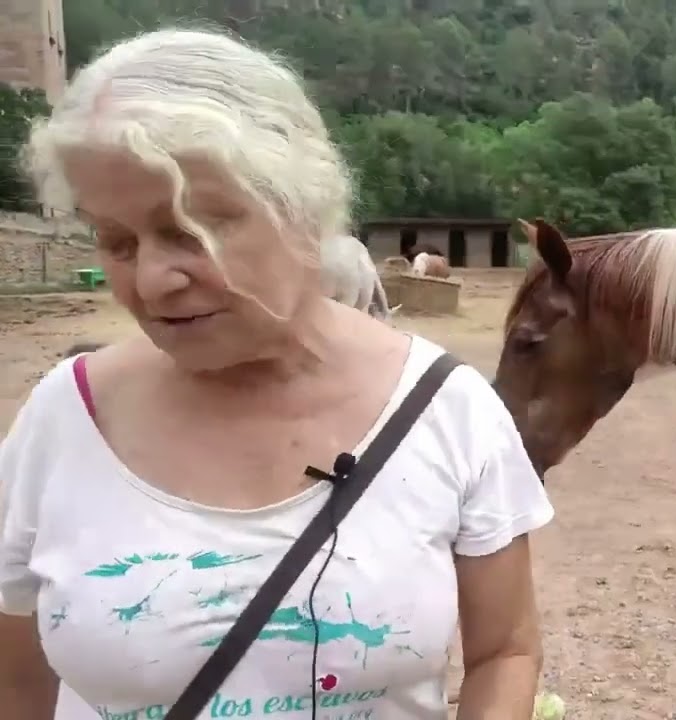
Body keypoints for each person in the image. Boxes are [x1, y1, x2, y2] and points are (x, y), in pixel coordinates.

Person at [0, 27, 553, 720]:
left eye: (189, 231)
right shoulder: (63, 419)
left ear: (302, 205)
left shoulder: (450, 410)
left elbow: (505, 651)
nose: (151, 280)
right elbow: (16, 683)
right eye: (116, 241)